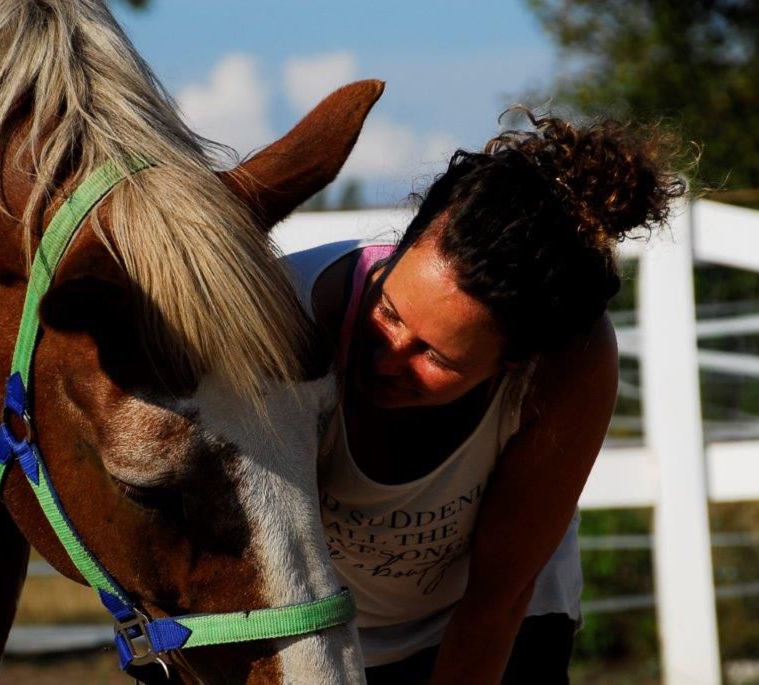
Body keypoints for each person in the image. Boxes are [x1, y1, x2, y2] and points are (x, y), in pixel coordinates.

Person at [274, 111, 685, 683]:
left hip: (499, 624)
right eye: (388, 312)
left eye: (436, 357)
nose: (387, 357)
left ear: (515, 362)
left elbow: (499, 596)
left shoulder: (571, 364)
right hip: (325, 632)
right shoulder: (284, 320)